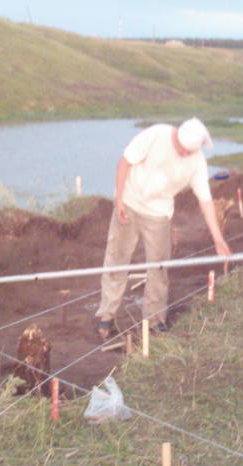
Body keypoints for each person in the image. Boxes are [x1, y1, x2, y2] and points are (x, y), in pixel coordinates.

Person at [95, 118, 232, 338]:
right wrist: (119, 200)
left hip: (159, 214)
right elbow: (124, 162)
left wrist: (218, 239)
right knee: (117, 258)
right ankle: (106, 316)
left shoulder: (196, 161)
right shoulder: (156, 134)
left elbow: (205, 200)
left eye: (190, 152)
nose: (184, 154)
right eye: (182, 149)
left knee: (158, 268)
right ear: (176, 135)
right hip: (129, 203)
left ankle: (154, 321)